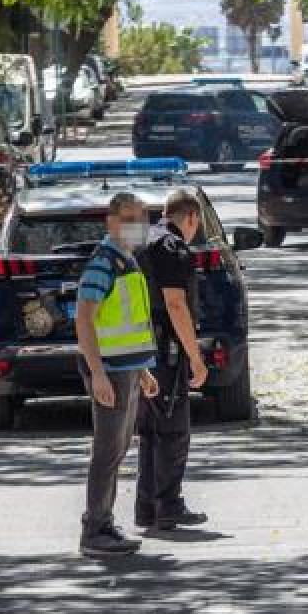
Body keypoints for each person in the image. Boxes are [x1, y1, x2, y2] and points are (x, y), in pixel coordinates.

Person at [74, 192, 159, 556]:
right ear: (110, 221)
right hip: (110, 372)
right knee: (107, 451)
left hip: (126, 371)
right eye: (127, 218)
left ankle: (103, 522)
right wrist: (98, 374)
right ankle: (95, 529)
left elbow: (129, 325)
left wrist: (141, 371)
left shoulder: (127, 261)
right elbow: (84, 319)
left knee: (118, 448)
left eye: (140, 219)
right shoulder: (104, 263)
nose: (135, 226)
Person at [134, 189, 209, 531]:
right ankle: (168, 505)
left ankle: (146, 506)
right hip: (165, 349)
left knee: (150, 430)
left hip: (135, 347)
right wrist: (196, 358)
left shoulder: (138, 238)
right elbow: (176, 304)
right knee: (173, 429)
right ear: (190, 217)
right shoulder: (172, 248)